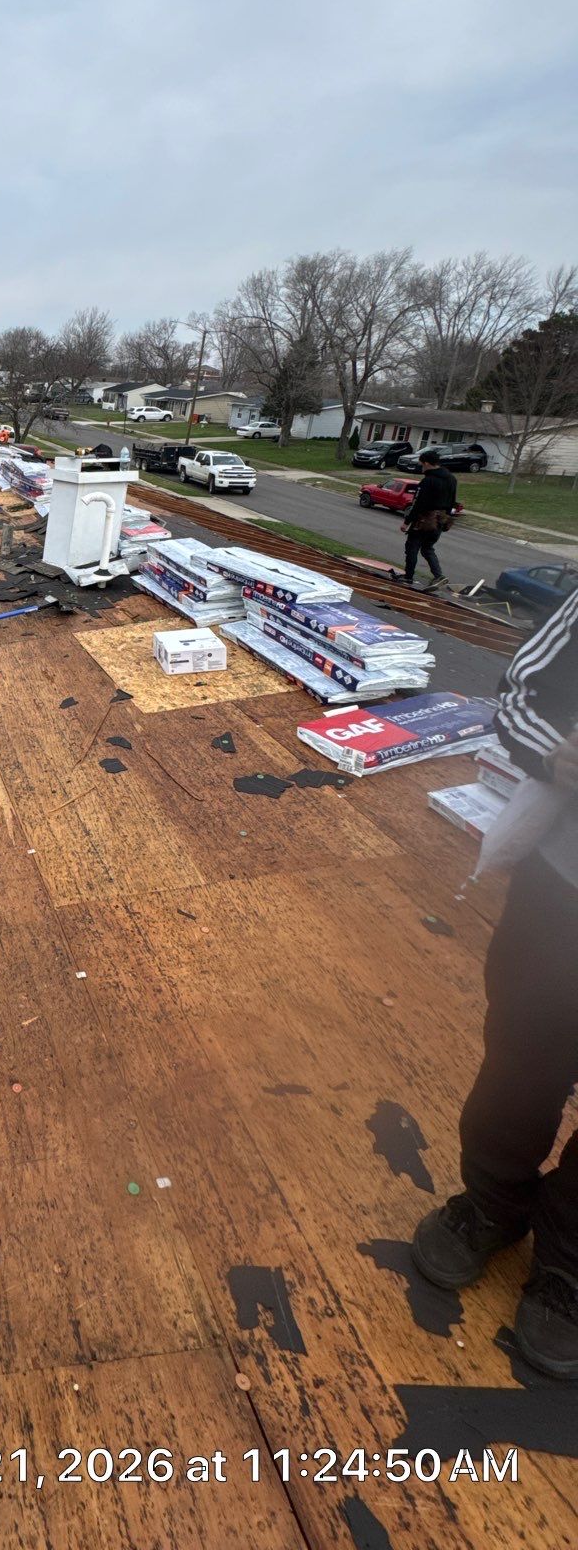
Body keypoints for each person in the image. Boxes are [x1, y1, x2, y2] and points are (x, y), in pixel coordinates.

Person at [411, 586, 578, 1377]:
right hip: (565, 892)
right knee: (521, 1060)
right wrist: (557, 752)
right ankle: (493, 1202)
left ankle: (570, 1263)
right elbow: (520, 693)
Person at [389, 449, 457, 589]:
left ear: (427, 463)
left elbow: (418, 503)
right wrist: (447, 519)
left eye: (422, 464)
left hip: (425, 520)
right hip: (440, 519)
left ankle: (408, 577)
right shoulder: (451, 479)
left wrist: (407, 522)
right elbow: (452, 501)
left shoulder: (428, 481)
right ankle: (438, 575)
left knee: (412, 547)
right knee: (427, 548)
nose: (422, 467)